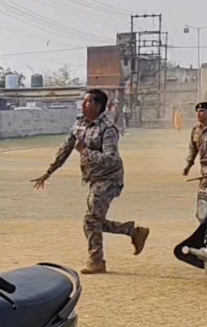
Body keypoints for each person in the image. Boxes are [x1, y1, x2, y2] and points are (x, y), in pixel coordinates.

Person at [31, 88, 150, 274]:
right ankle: (133, 231)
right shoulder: (79, 123)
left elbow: (111, 159)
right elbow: (66, 148)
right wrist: (49, 171)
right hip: (94, 179)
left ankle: (96, 261)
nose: (83, 105)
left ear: (97, 105)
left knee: (91, 219)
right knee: (94, 220)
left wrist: (85, 151)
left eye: (87, 102)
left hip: (110, 179)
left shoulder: (108, 129)